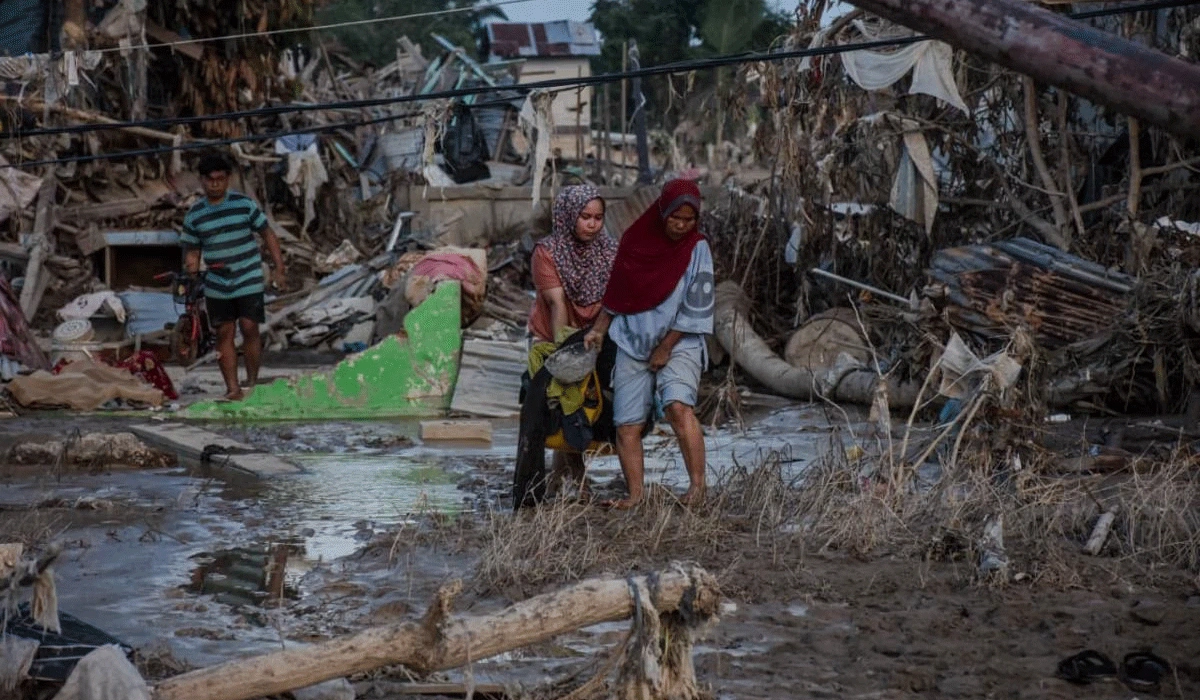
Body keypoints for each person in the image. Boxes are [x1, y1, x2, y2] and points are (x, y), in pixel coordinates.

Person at [585, 179, 714, 508]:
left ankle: (697, 488)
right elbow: (618, 291)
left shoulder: (697, 248)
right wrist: (599, 328)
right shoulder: (634, 241)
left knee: (677, 406)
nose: (681, 225)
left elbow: (696, 306)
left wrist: (666, 347)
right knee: (627, 424)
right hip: (632, 339)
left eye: (689, 219)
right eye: (676, 218)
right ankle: (635, 495)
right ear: (662, 212)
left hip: (679, 339)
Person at [527, 184, 617, 497]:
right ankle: (574, 479)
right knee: (561, 402)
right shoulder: (547, 252)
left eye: (598, 217)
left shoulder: (609, 252)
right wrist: (563, 352)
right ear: (569, 217)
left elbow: (615, 299)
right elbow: (556, 304)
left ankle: (559, 479)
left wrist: (597, 335)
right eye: (585, 217)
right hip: (552, 334)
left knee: (585, 405)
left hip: (596, 333)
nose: (592, 224)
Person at [180, 153, 286, 401]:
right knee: (224, 333)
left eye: (220, 179)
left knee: (250, 327)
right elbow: (192, 249)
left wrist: (279, 269)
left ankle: (251, 382)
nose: (215, 184)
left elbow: (268, 234)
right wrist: (192, 269)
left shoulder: (243, 204)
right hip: (217, 281)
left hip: (248, 275)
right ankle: (232, 389)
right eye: (210, 180)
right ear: (202, 181)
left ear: (228, 179)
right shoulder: (195, 214)